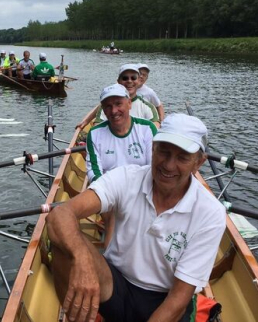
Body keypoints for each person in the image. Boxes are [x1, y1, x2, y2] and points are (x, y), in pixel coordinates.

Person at [46, 113, 226, 322]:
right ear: (152, 148)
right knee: (62, 244)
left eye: (182, 158)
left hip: (164, 298)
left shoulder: (210, 213)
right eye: (164, 152)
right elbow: (60, 214)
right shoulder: (126, 177)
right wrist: (81, 258)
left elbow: (178, 299)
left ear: (199, 163)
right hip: (117, 284)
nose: (168, 165)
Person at [86, 83, 157, 245]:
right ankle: (111, 257)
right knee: (113, 213)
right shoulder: (95, 134)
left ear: (129, 104)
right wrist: (113, 197)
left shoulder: (147, 129)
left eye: (118, 104)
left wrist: (134, 197)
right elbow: (93, 172)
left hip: (142, 192)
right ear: (103, 110)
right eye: (108, 106)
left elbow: (154, 168)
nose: (113, 111)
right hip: (109, 193)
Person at [76, 64, 160, 129]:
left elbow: (155, 133)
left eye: (133, 78)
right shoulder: (107, 107)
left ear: (138, 81)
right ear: (118, 82)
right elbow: (97, 130)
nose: (129, 81)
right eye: (125, 78)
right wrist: (85, 121)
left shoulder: (149, 108)